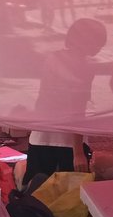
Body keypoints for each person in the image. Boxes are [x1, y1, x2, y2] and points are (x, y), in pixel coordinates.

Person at [24, 18, 107, 184]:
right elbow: (77, 108)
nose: (100, 47)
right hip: (68, 141)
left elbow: (44, 98)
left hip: (41, 134)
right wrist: (78, 152)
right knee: (69, 197)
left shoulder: (53, 58)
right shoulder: (83, 67)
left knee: (36, 189)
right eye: (99, 42)